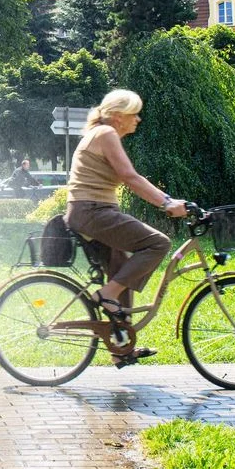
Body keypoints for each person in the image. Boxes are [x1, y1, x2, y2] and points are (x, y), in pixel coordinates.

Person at [64, 89, 188, 365]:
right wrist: (166, 203)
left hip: (91, 211)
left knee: (123, 271)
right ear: (119, 116)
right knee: (158, 243)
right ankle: (107, 295)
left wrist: (167, 200)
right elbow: (130, 177)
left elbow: (130, 177)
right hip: (92, 211)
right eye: (134, 114)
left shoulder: (101, 133)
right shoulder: (105, 133)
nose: (138, 119)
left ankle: (121, 348)